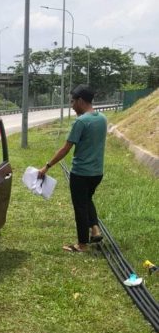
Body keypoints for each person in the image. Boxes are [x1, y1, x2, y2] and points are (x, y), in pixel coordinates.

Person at [38, 84, 107, 253]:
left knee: (80, 207)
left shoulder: (81, 122)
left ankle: (82, 244)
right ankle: (95, 229)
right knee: (87, 199)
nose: (71, 105)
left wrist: (46, 166)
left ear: (81, 101)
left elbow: (65, 148)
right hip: (97, 172)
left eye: (72, 101)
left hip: (81, 173)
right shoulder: (102, 119)